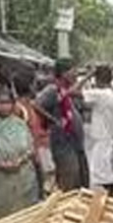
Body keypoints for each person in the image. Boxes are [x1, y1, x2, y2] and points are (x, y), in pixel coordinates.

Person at [0, 86, 40, 220]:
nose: (5, 107)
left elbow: (30, 147)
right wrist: (1, 164)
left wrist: (21, 160)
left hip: (24, 175)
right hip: (0, 178)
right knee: (4, 216)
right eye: (1, 103)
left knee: (26, 214)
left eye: (8, 103)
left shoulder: (19, 124)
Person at [36, 58, 89, 191]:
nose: (76, 73)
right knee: (69, 182)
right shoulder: (53, 90)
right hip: (63, 144)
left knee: (81, 181)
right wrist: (53, 121)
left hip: (76, 143)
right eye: (73, 70)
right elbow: (36, 105)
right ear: (64, 73)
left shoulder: (68, 90)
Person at [81, 65, 113, 195]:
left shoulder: (99, 94)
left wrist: (88, 76)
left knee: (105, 180)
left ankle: (108, 202)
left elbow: (73, 92)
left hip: (103, 140)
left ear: (96, 80)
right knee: (110, 177)